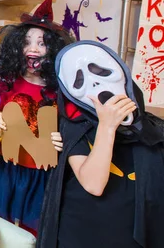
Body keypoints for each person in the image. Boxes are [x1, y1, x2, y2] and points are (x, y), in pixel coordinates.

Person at [38, 41, 164, 248]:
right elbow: (93, 184)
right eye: (79, 80)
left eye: (101, 71)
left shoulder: (154, 129)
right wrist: (107, 126)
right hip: (83, 237)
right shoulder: (74, 127)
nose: (94, 83)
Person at [0, 0, 74, 235]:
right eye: (27, 42)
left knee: (36, 230)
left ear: (52, 49)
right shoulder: (7, 85)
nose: (33, 48)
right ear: (18, 48)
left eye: (42, 43)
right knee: (3, 227)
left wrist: (64, 141)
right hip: (9, 169)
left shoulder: (61, 92)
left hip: (43, 173)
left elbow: (74, 133)